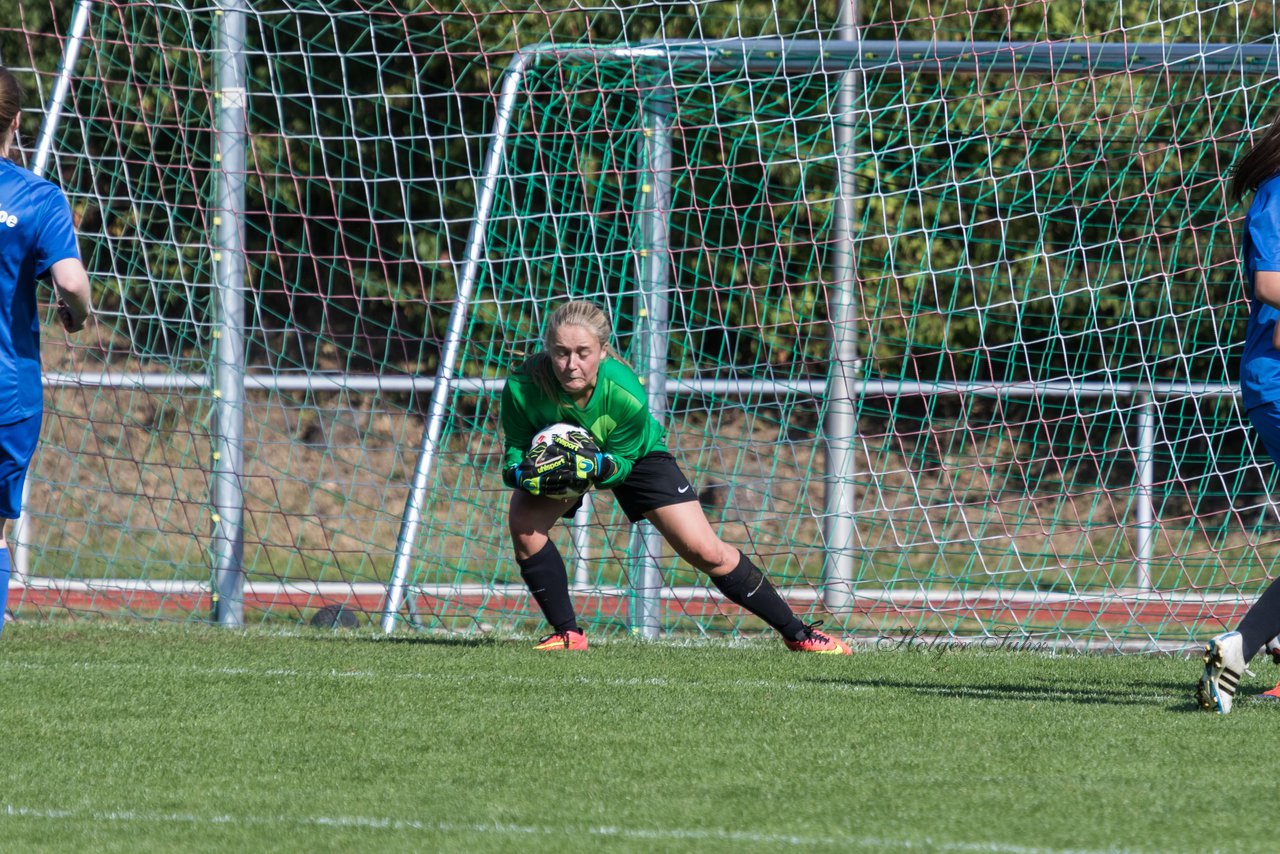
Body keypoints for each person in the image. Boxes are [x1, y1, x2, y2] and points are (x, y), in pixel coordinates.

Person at [500, 300, 851, 653]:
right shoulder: (522, 386)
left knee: (704, 550)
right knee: (524, 525)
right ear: (548, 348)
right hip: (566, 463)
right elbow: (515, 449)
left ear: (603, 351)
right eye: (561, 352)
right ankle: (568, 635)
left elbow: (623, 462)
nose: (571, 364)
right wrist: (521, 473)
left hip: (635, 456)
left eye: (583, 352)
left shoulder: (623, 392)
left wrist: (599, 468)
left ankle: (799, 634)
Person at [0, 67, 93, 634]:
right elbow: (73, 284)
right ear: (14, 123)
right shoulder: (38, 198)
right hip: (8, 385)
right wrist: (78, 317)